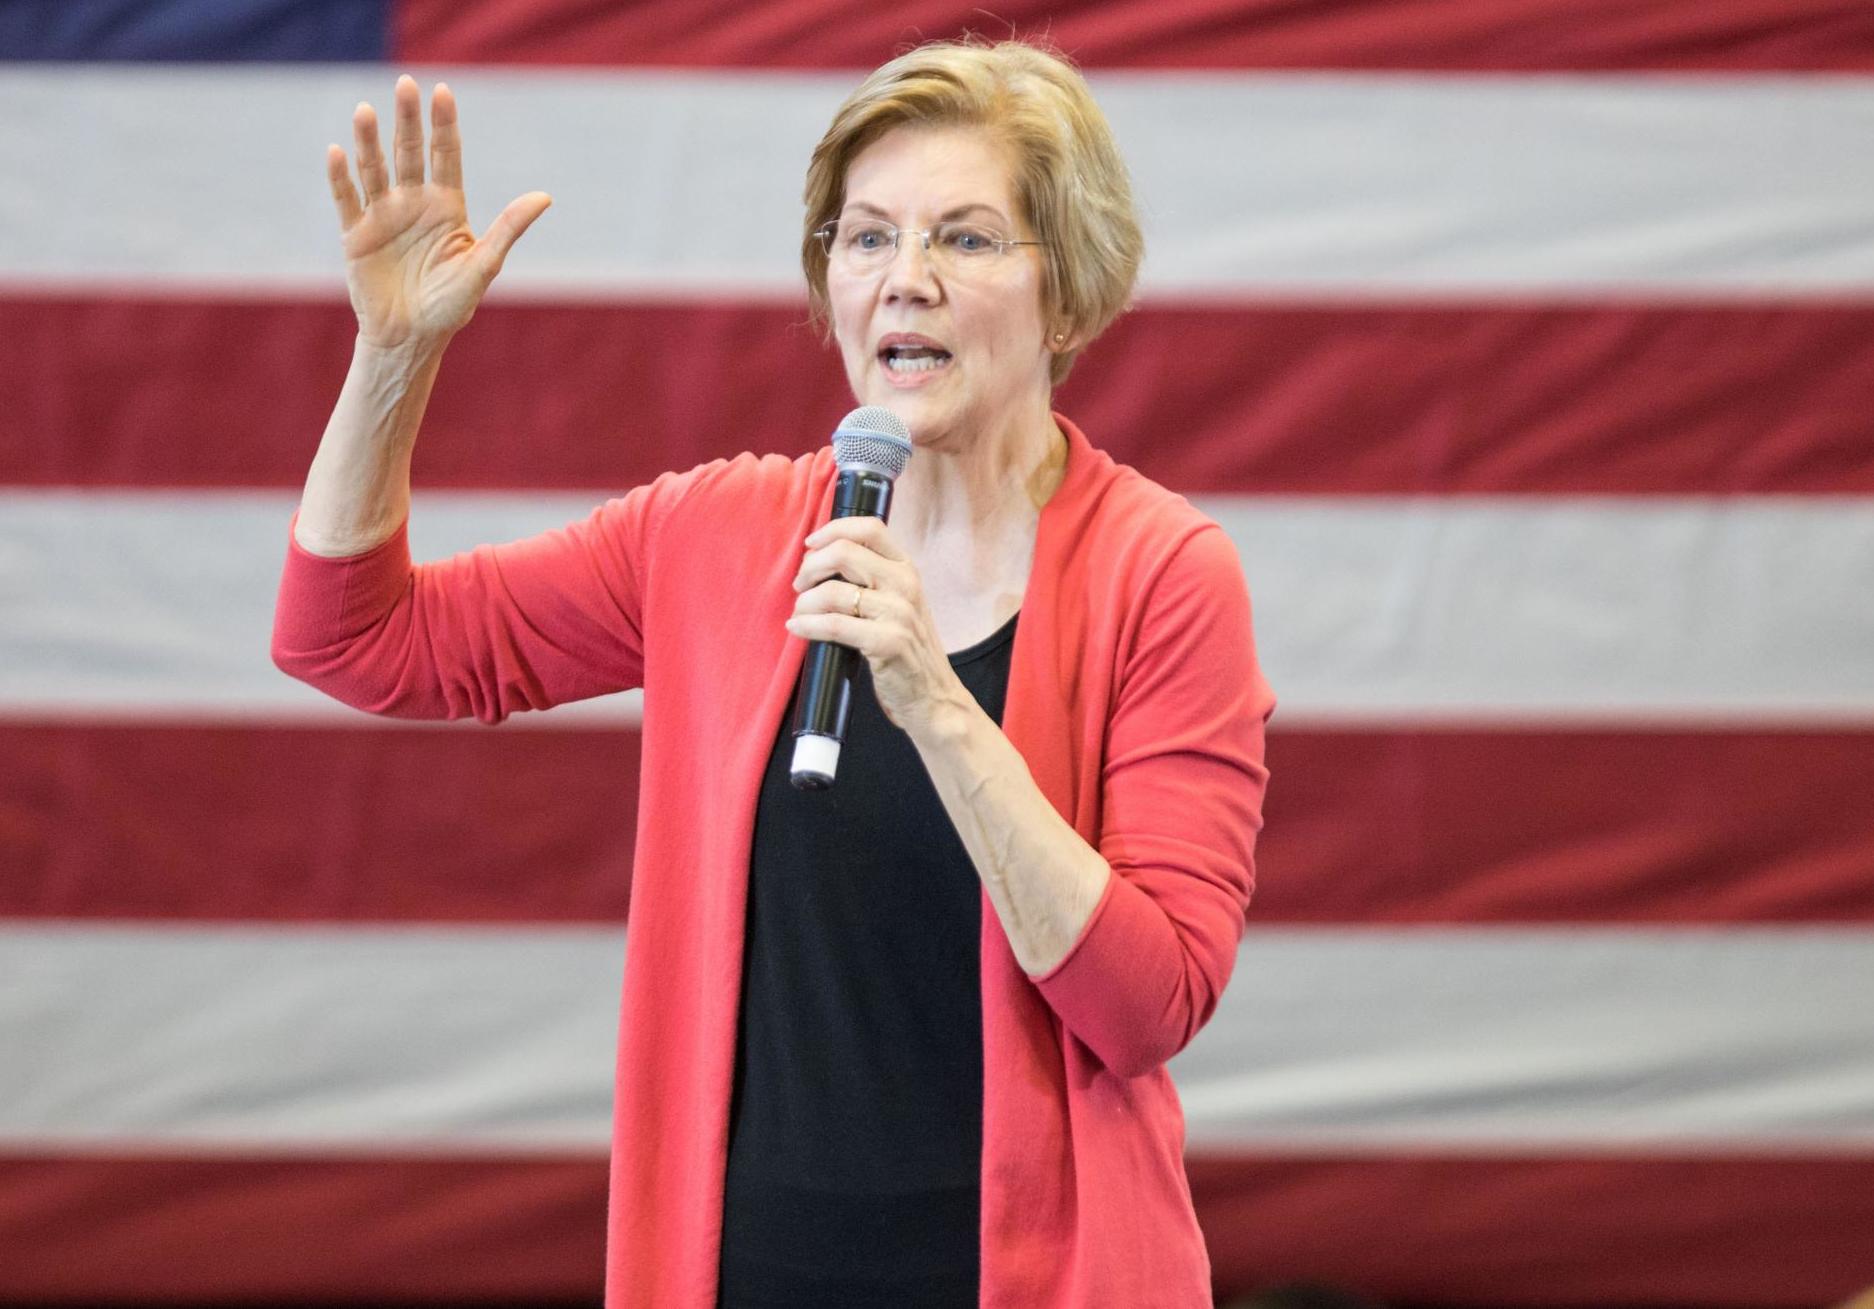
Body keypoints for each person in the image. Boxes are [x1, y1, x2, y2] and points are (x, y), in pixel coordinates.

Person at [273, 38, 1273, 1308]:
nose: (903, 281)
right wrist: (393, 356)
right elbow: (355, 640)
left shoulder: (1164, 574)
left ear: (1067, 296)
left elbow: (1150, 1005)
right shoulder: (715, 534)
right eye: (865, 240)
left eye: (963, 240)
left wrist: (937, 707)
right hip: (741, 1271)